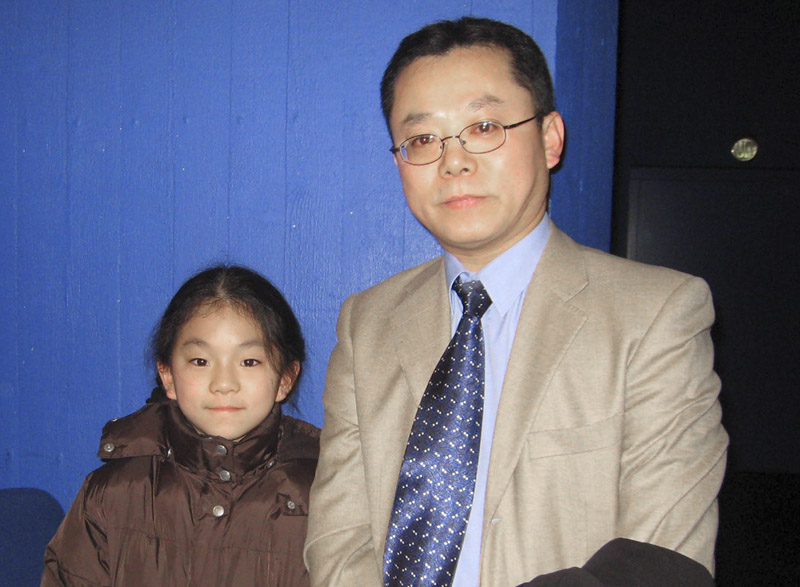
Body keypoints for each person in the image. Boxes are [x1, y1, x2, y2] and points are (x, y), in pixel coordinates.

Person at [304, 16, 727, 587]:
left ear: (550, 139)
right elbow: (338, 541)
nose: (453, 161)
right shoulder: (368, 322)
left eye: (484, 127)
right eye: (423, 139)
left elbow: (662, 561)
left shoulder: (655, 315)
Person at [43, 265, 319, 586]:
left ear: (285, 378)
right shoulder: (112, 493)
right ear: (168, 376)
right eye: (201, 361)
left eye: (249, 361)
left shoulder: (322, 492)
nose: (224, 383)